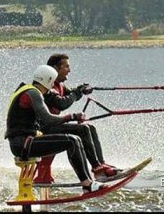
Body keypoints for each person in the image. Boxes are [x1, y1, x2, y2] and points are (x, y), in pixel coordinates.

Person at [5, 65, 105, 193]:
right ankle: (87, 184)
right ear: (47, 80)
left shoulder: (26, 90)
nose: (52, 86)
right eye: (52, 83)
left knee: (75, 139)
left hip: (24, 142)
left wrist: (78, 92)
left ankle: (88, 182)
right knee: (72, 141)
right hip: (23, 145)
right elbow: (48, 119)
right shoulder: (33, 93)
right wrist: (72, 116)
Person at [41, 53, 121, 181]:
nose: (69, 70)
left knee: (90, 127)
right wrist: (76, 93)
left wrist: (82, 90)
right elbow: (62, 103)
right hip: (43, 129)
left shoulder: (59, 85)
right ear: (55, 68)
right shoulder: (46, 85)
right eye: (66, 67)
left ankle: (100, 164)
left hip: (52, 126)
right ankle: (96, 168)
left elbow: (72, 94)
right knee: (82, 130)